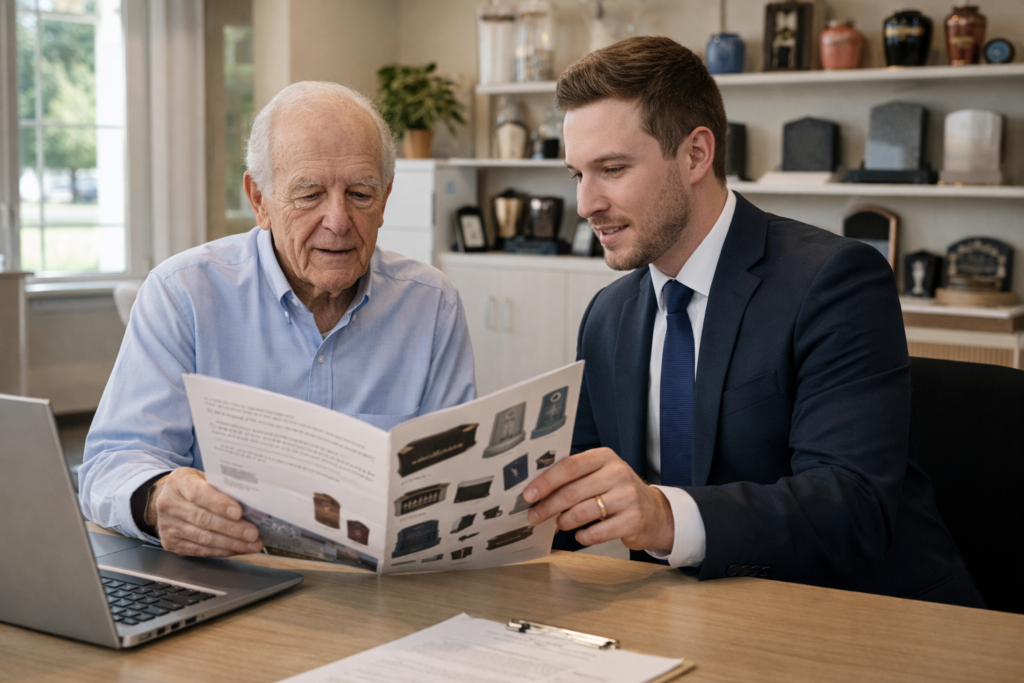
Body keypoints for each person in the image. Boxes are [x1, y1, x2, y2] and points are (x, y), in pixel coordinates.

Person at [522, 37, 983, 607]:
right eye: (576, 175)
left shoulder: (835, 280)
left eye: (611, 169)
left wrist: (664, 517)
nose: (586, 203)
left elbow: (851, 504)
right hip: (695, 615)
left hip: (865, 616)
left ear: (695, 155)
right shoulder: (609, 315)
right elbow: (579, 492)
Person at [80, 82, 475, 558]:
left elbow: (456, 477)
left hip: (381, 591)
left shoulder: (432, 306)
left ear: (386, 198)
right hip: (230, 577)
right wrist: (157, 497)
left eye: (360, 193)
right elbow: (111, 462)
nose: (338, 219)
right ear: (259, 199)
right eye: (309, 194)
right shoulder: (183, 293)